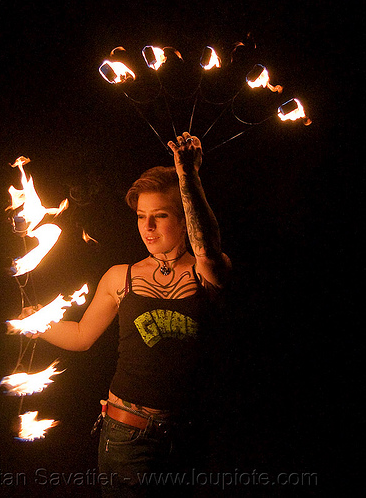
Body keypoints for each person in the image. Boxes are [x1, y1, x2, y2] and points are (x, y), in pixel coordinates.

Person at [33, 132, 231, 496]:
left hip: (189, 436)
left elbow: (207, 250)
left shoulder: (206, 272)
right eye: (141, 216)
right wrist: (35, 321)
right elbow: (81, 336)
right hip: (126, 439)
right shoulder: (120, 276)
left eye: (160, 216)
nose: (148, 227)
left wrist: (187, 175)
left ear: (185, 217)